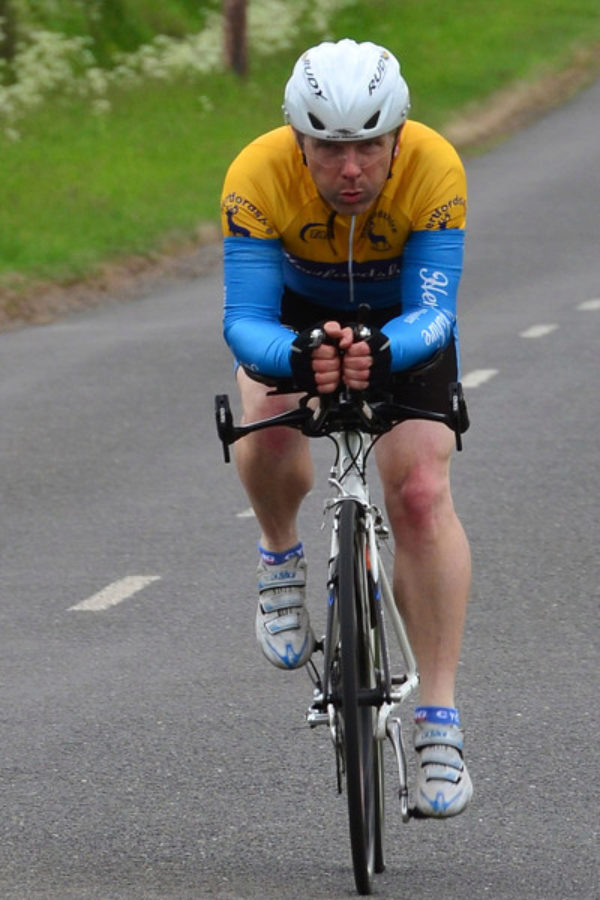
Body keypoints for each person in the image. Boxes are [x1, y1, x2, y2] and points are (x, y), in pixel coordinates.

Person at [219, 39, 473, 818]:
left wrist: (385, 349)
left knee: (422, 492)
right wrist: (296, 355)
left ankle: (439, 722)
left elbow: (436, 308)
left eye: (370, 145)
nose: (351, 168)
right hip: (294, 316)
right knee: (266, 424)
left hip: (402, 322)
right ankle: (278, 553)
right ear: (299, 142)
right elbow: (246, 318)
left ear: (399, 136)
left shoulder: (436, 166)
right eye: (329, 148)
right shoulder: (256, 173)